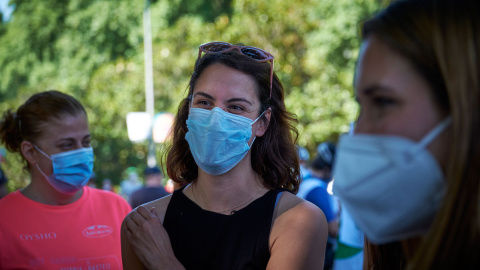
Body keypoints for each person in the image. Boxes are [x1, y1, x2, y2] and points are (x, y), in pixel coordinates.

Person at [121, 41, 328, 269]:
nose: (215, 117)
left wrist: (165, 263)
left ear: (263, 123)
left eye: (236, 107)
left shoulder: (296, 220)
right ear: (189, 110)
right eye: (205, 102)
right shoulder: (145, 223)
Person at [332, 0, 480, 268]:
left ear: (465, 108)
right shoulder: (397, 251)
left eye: (383, 101)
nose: (358, 133)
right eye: (361, 107)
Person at [0, 90, 132, 269]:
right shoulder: (5, 219)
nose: (81, 152)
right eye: (67, 145)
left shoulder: (117, 207)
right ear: (30, 152)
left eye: (85, 142)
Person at [297, 142, 340, 270]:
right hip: (317, 252)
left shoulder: (305, 180)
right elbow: (333, 229)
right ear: (327, 169)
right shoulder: (317, 188)